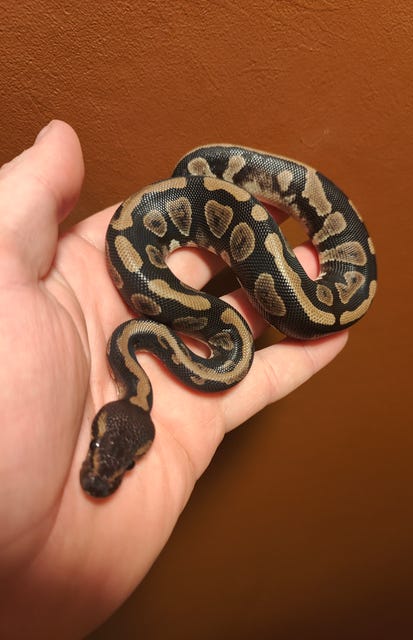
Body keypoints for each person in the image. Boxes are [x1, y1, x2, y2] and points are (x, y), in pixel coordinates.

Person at [0, 120, 348, 638]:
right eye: (120, 463)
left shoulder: (133, 342)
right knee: (195, 176)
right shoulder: (139, 345)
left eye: (100, 451)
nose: (102, 472)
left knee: (195, 173)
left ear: (104, 422)